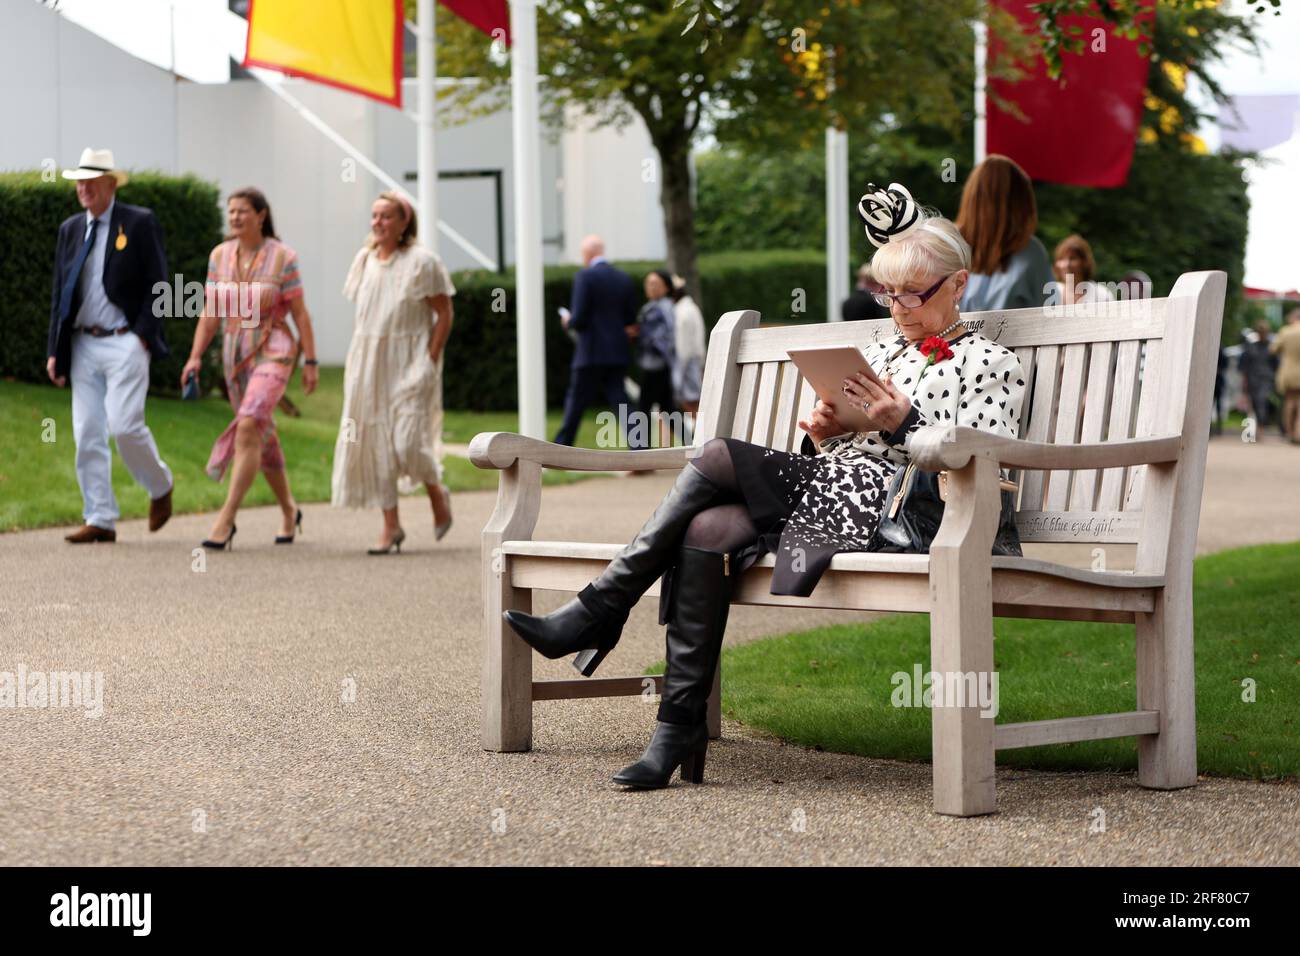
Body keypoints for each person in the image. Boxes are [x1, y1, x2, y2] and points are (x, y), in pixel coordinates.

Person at [503, 183, 1027, 790]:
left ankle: (598, 610)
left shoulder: (991, 362)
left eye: (914, 293)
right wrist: (827, 429)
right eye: (888, 294)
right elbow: (851, 447)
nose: (898, 308)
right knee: (706, 528)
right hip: (841, 487)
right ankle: (676, 727)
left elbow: (985, 460)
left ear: (958, 285)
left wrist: (904, 422)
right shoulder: (883, 348)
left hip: (910, 514)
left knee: (718, 454)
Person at [46, 147, 174, 544]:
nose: (83, 188)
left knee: (124, 426)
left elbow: (160, 284)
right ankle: (99, 517)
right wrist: (55, 348)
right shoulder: (70, 228)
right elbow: (59, 293)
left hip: (125, 342)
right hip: (83, 343)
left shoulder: (138, 223)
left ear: (110, 183)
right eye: (78, 181)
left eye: (90, 181)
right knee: (86, 431)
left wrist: (143, 335)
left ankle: (160, 486)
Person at [181, 187, 318, 550]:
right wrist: (195, 356)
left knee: (247, 425)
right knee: (261, 435)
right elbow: (210, 313)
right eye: (231, 211)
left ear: (261, 215)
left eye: (243, 211)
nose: (235, 217)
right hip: (234, 353)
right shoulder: (219, 256)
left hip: (274, 350)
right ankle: (290, 510)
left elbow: (301, 313)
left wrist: (312, 361)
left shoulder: (283, 257)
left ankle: (225, 520)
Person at [331, 191, 455, 553]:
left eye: (386, 216)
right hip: (367, 364)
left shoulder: (422, 262)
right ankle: (390, 526)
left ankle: (436, 492)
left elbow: (444, 312)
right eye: (374, 216)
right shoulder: (365, 260)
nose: (378, 223)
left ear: (404, 222)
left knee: (407, 440)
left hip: (411, 361)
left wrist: (431, 358)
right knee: (376, 441)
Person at [553, 235, 638, 447]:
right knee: (620, 399)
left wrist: (568, 321)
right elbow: (630, 318)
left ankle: (562, 445)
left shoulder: (585, 277)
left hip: (590, 351)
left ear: (588, 254)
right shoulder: (623, 278)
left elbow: (579, 317)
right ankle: (639, 445)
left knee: (577, 400)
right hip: (617, 350)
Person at [956, 155, 1055, 312]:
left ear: (972, 198)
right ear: (1020, 204)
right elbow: (1051, 318)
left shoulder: (948, 247)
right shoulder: (1030, 253)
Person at [636, 269, 677, 445]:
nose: (650, 287)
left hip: (656, 365)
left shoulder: (662, 308)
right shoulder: (653, 307)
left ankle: (640, 454)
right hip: (659, 365)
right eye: (648, 283)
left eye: (655, 284)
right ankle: (695, 446)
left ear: (666, 287)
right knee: (668, 410)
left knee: (643, 409)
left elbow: (664, 338)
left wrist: (641, 336)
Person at [670, 275, 707, 424]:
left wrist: (678, 371)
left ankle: (701, 435)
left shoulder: (682, 312)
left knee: (691, 402)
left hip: (686, 362)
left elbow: (683, 346)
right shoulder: (690, 308)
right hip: (693, 361)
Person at [1050, 234, 1113, 306]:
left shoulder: (1102, 295)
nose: (1066, 264)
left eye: (1072, 258)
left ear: (1085, 262)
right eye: (1061, 259)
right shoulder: (1050, 293)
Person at [1238, 320, 1278, 430]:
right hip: (1252, 379)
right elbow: (1244, 364)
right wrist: (1244, 379)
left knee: (1261, 400)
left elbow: (1276, 364)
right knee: (1255, 402)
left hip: (1266, 379)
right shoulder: (1251, 347)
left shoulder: (1271, 348)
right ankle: (1257, 425)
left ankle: (1261, 427)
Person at [1269, 307, 1300, 443]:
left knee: (1289, 402)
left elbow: (1273, 349)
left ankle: (1290, 433)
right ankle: (1299, 433)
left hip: (1288, 372)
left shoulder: (1285, 331)